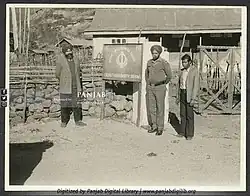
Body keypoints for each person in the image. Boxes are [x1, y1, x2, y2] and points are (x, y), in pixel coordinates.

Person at [55, 43, 86, 128]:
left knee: (77, 104)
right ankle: (64, 121)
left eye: (70, 52)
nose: (69, 54)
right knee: (64, 104)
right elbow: (57, 74)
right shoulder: (60, 60)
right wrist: (64, 80)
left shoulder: (76, 59)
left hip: (75, 86)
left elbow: (79, 72)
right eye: (67, 53)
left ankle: (78, 120)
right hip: (65, 86)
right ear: (64, 53)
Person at [145, 45, 172, 136]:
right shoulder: (149, 62)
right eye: (153, 53)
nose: (154, 55)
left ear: (159, 53)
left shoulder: (163, 63)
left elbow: (169, 76)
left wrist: (163, 83)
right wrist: (148, 83)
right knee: (152, 108)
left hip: (160, 87)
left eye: (156, 53)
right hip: (151, 88)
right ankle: (154, 126)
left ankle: (160, 128)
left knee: (160, 108)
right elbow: (147, 74)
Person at [176, 54, 199, 140]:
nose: (184, 64)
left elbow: (196, 86)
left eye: (185, 62)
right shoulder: (182, 71)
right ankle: (182, 132)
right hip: (182, 93)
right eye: (183, 62)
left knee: (189, 115)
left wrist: (193, 98)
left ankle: (189, 134)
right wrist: (178, 96)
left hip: (189, 94)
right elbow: (178, 84)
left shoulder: (194, 71)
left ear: (190, 62)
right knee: (182, 114)